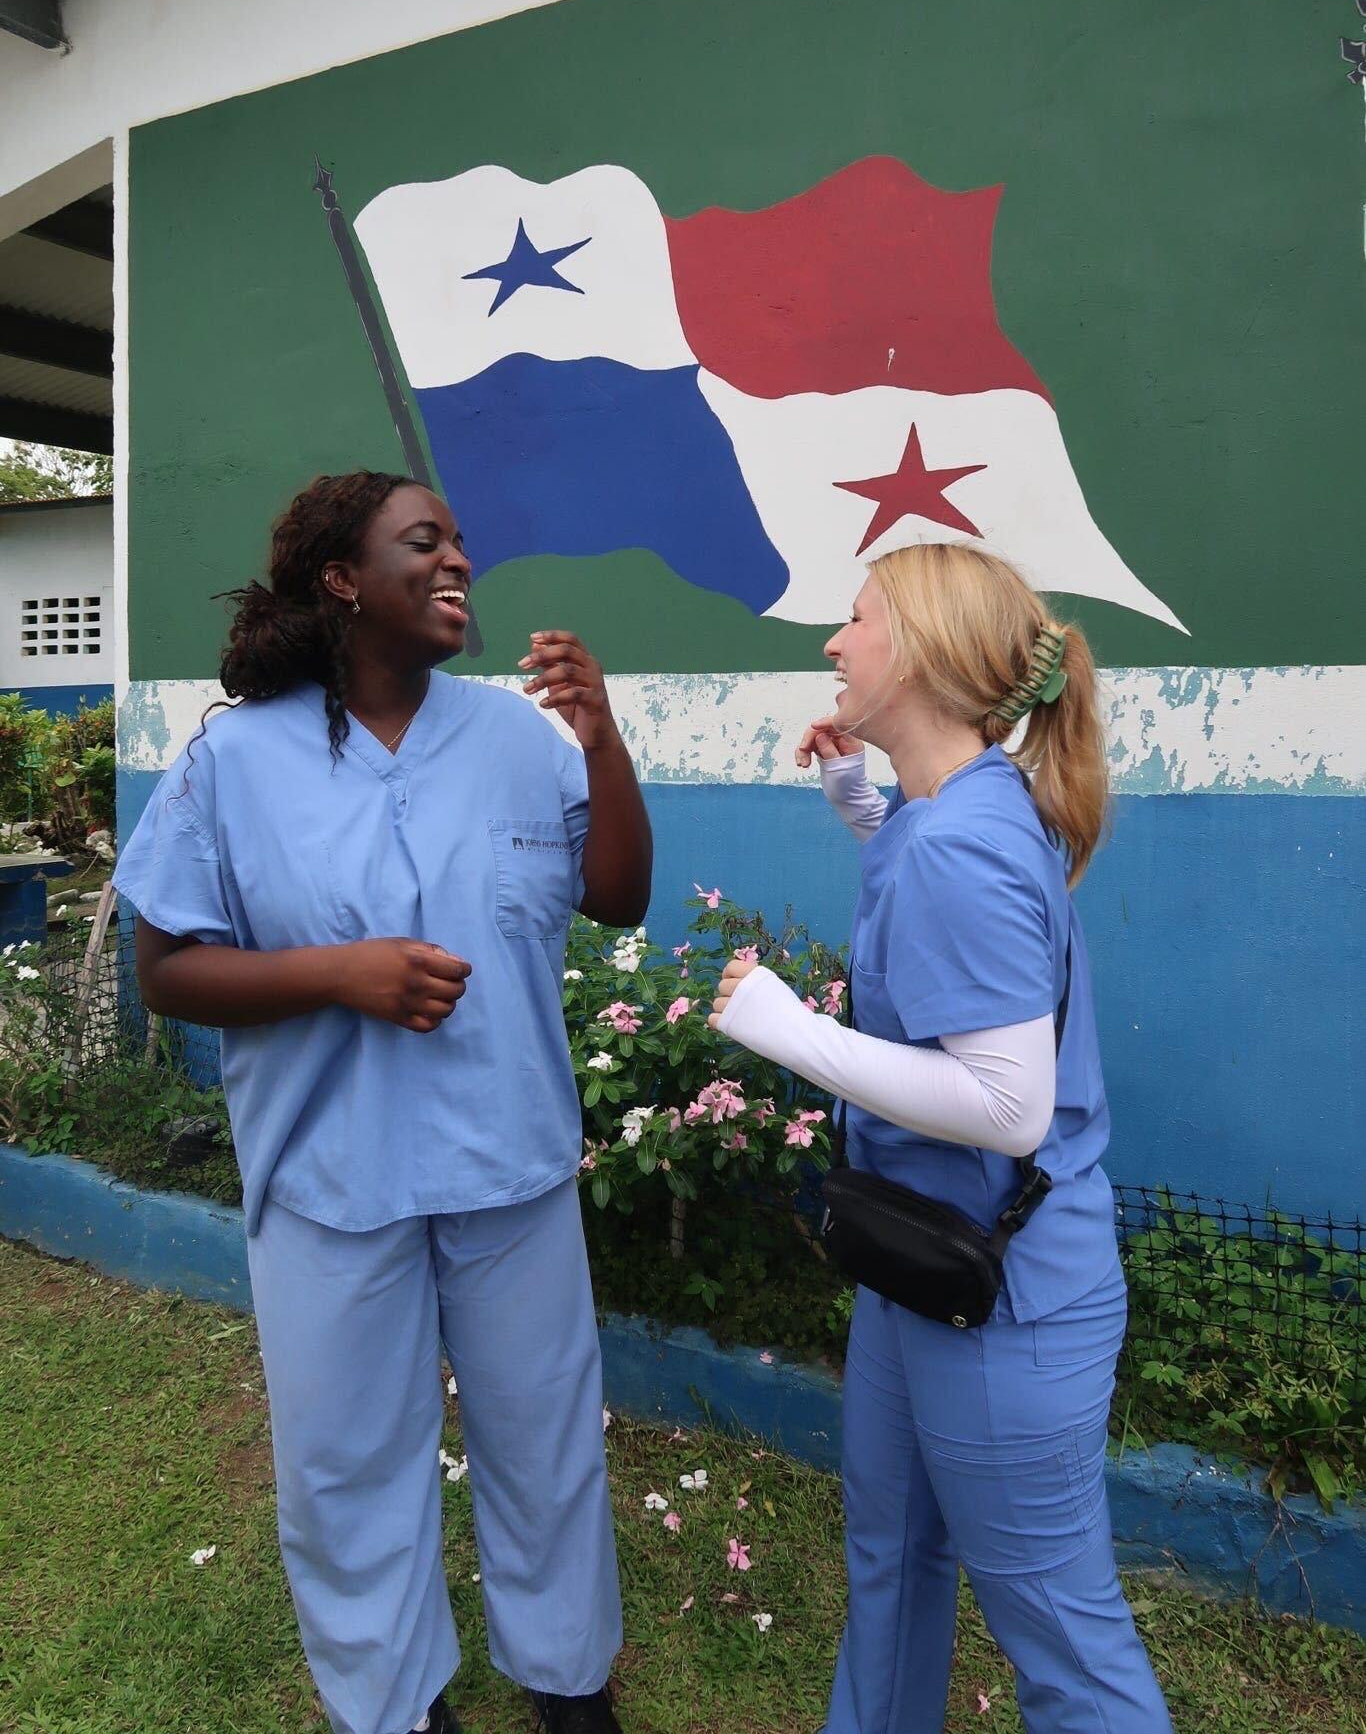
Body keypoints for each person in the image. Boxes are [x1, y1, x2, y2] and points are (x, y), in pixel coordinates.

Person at [115, 471, 652, 1734]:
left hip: (508, 1167)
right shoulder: (234, 760)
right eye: (426, 541)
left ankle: (570, 1689)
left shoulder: (521, 737)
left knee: (547, 1442)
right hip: (331, 1181)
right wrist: (337, 975)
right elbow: (167, 968)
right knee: (350, 1464)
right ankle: (396, 1703)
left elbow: (616, 897)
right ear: (344, 579)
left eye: (462, 538)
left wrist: (604, 736)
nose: (458, 558)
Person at [709, 543, 1171, 1733]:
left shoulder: (962, 838)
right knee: (892, 1560)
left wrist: (787, 1030)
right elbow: (938, 921)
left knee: (1063, 1641)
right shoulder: (951, 809)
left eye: (854, 619)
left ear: (914, 650)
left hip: (1005, 1302)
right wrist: (858, 801)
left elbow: (1008, 1102)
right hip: (921, 1270)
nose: (832, 643)